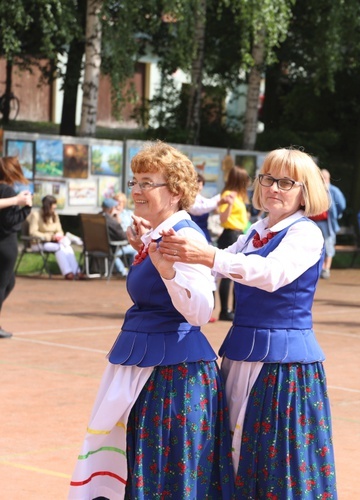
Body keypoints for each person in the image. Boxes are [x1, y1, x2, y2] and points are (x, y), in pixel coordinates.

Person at [158, 147, 337, 498]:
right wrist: (164, 250)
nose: (274, 187)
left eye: (286, 182)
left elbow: (270, 274)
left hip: (283, 362)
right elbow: (214, 268)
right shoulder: (256, 230)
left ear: (306, 191)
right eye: (268, 178)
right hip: (241, 353)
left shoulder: (306, 233)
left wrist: (209, 255)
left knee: (277, 457)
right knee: (237, 449)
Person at [69, 141, 233, 499]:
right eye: (135, 182)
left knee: (163, 474)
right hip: (155, 367)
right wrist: (144, 247)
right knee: (147, 469)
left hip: (174, 376)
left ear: (174, 192)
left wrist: (168, 272)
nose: (138, 191)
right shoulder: (160, 234)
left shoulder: (183, 236)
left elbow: (202, 310)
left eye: (148, 183)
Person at [0, 157, 32, 339]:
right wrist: (26, 207)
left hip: (3, 243)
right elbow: (9, 222)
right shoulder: (7, 190)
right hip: (5, 244)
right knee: (3, 284)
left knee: (9, 282)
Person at [216, 166, 250, 321]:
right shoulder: (229, 195)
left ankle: (236, 309)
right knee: (228, 275)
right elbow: (223, 219)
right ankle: (225, 310)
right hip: (230, 234)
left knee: (239, 274)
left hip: (238, 234)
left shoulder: (239, 197)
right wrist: (229, 204)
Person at [27, 194, 83, 280]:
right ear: (47, 206)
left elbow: (60, 230)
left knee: (67, 247)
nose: (55, 208)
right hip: (39, 243)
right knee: (59, 248)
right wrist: (49, 237)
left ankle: (76, 271)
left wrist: (58, 236)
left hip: (53, 242)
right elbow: (33, 232)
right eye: (53, 206)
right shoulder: (36, 215)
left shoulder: (55, 215)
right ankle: (68, 272)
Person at [310, 168, 346, 279]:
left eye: (324, 178)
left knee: (328, 245)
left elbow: (342, 205)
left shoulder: (334, 191)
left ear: (328, 179)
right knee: (313, 246)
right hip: (313, 222)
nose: (322, 180)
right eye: (320, 178)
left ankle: (326, 269)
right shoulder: (313, 190)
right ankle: (316, 269)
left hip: (327, 223)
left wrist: (336, 216)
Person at [100, 197, 136, 276]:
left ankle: (124, 271)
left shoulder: (97, 218)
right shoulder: (111, 221)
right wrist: (118, 222)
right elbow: (123, 237)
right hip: (111, 249)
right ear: (111, 209)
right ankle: (129, 273)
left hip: (96, 248)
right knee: (136, 250)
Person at [189, 173, 223, 243]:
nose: (198, 186)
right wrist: (218, 202)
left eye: (200, 184)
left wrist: (222, 196)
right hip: (191, 233)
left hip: (203, 232)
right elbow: (197, 209)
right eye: (196, 183)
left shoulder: (202, 200)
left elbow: (210, 202)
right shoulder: (188, 199)